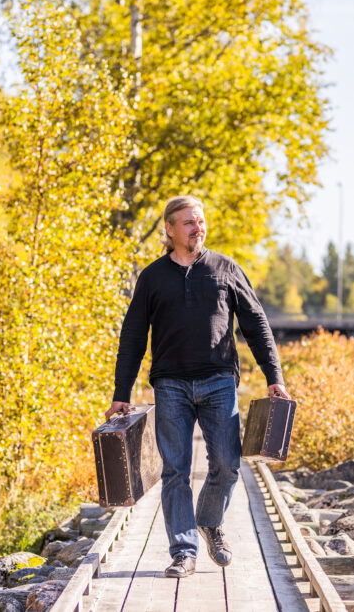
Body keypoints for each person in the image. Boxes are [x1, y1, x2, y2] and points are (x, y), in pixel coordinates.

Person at [105, 195, 292, 578]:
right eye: (189, 222)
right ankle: (183, 552)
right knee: (175, 471)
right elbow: (133, 337)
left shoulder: (225, 269)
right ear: (170, 230)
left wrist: (275, 378)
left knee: (227, 464)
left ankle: (209, 521)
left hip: (220, 381)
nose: (197, 228)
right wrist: (121, 393)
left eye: (201, 221)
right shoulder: (153, 278)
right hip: (170, 386)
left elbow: (256, 325)